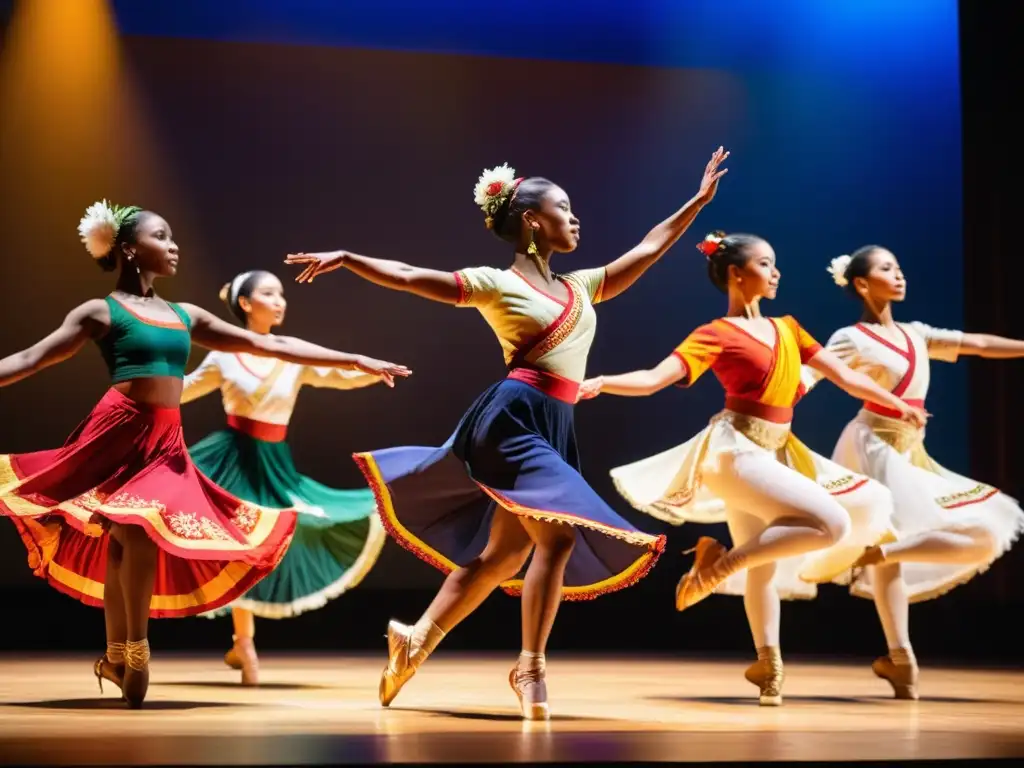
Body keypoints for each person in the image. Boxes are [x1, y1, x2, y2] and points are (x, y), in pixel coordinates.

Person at [283, 148, 729, 719]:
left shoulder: (582, 287)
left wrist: (697, 200)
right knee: (559, 539)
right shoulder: (494, 283)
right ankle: (531, 670)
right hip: (514, 419)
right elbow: (410, 278)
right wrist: (348, 257)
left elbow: (646, 248)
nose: (575, 218)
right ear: (531, 221)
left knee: (503, 556)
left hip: (555, 423)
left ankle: (415, 640)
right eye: (562, 208)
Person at [0, 201, 410, 707]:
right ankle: (121, 651)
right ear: (129, 249)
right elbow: (31, 357)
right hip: (116, 431)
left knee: (139, 533)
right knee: (123, 540)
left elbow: (271, 347)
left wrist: (353, 358)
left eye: (173, 236)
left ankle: (133, 649)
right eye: (161, 236)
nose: (174, 245)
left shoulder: (185, 316)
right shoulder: (100, 311)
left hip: (163, 442)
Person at [582, 231, 928, 706]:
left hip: (775, 451)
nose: (776, 272)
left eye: (775, 263)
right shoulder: (715, 334)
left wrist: (896, 403)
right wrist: (601, 382)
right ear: (735, 274)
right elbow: (653, 379)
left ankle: (768, 665)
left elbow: (846, 377)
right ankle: (718, 568)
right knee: (831, 523)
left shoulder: (789, 328)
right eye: (766, 263)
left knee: (764, 562)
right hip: (735, 454)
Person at [795, 246, 1024, 695]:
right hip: (872, 445)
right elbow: (814, 372)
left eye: (899, 268)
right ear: (861, 283)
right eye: (886, 269)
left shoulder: (916, 334)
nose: (898, 276)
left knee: (984, 528)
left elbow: (976, 343)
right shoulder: (852, 337)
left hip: (910, 449)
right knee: (893, 539)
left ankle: (885, 598)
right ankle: (902, 659)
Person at [182, 270, 393, 685]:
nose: (280, 301)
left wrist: (374, 372)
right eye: (268, 293)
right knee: (239, 542)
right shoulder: (224, 355)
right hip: (233, 460)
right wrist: (146, 383)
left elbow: (335, 376)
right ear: (245, 304)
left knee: (289, 532)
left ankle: (242, 643)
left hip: (274, 464)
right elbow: (185, 388)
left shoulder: (291, 355)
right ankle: (244, 643)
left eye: (282, 294)